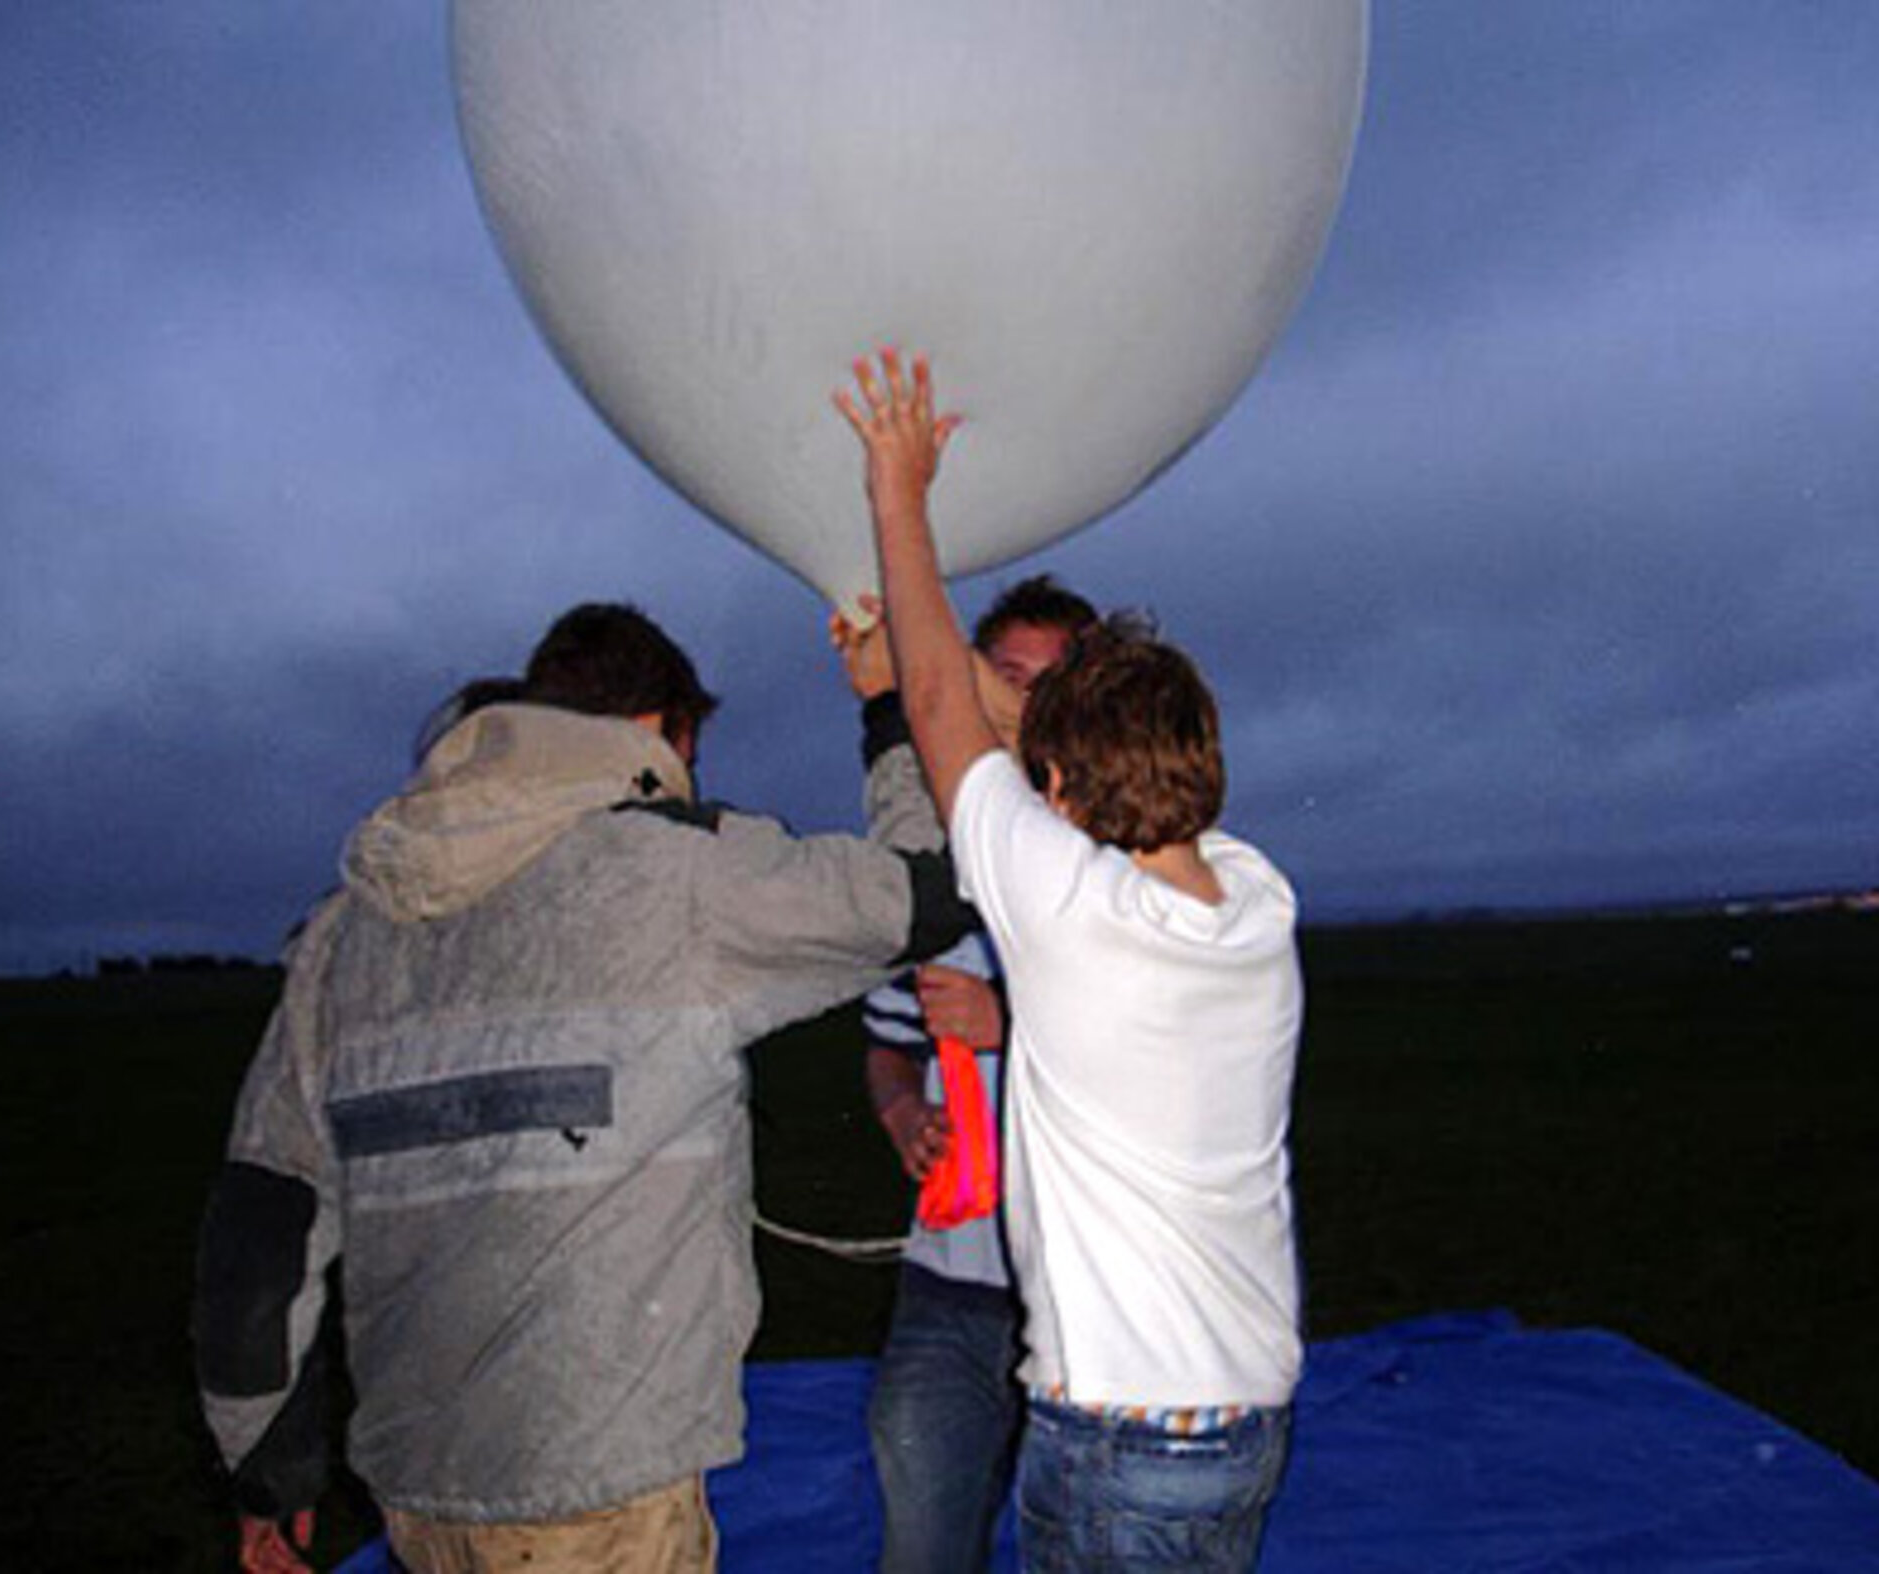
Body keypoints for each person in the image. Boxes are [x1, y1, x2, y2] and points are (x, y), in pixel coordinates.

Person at [193, 602, 970, 1574]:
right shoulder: (669, 872)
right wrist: (890, 703)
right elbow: (934, 883)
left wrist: (269, 1471)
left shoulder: (343, 931)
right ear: (658, 732)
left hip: (421, 1497)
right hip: (605, 1495)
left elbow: (262, 1232)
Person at [835, 350, 1304, 1571]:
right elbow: (1013, 732)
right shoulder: (1253, 901)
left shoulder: (1070, 913)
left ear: (1053, 789)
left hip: (1118, 1443)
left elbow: (942, 710)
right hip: (1244, 1426)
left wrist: (899, 489)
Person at [848, 577, 1098, 1574]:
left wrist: (1014, 1024)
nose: (1029, 703)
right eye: (1008, 677)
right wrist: (905, 1106)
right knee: (922, 1543)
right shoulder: (941, 855)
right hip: (945, 1284)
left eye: (1056, 680)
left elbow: (1170, 1041)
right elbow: (888, 1039)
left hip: (1082, 1295)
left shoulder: (1122, 853)